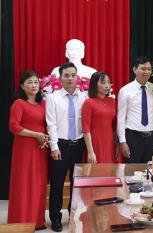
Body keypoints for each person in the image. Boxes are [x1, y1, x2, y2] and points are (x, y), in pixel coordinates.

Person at [46, 62, 87, 232]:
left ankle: (73, 215)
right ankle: (55, 218)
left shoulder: (85, 97)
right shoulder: (53, 97)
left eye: (73, 75)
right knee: (57, 183)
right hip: (61, 145)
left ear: (77, 77)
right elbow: (51, 124)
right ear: (60, 78)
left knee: (77, 184)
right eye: (66, 75)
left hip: (79, 145)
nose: (70, 78)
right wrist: (54, 147)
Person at [8, 71, 49, 230]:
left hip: (40, 148)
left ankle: (37, 221)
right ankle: (21, 221)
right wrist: (36, 135)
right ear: (22, 86)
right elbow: (14, 127)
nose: (33, 86)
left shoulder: (43, 104)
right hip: (24, 148)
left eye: (36, 83)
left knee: (38, 183)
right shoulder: (19, 103)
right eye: (30, 83)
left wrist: (44, 138)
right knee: (24, 182)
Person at [117, 57, 153, 163]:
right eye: (143, 69)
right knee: (132, 174)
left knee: (152, 172)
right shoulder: (125, 90)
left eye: (149, 69)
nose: (146, 72)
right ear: (135, 70)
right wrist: (122, 141)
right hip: (133, 138)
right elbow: (121, 118)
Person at [82, 71, 120, 163]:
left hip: (110, 141)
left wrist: (117, 145)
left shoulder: (112, 101)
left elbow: (115, 125)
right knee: (96, 171)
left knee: (109, 170)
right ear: (95, 84)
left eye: (108, 82)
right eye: (103, 82)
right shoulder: (89, 102)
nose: (107, 85)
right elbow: (86, 129)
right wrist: (90, 151)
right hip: (95, 141)